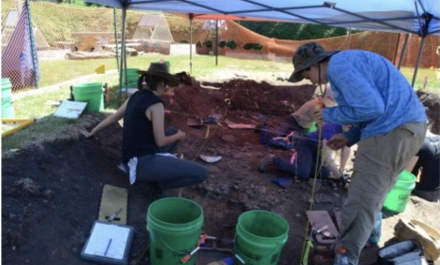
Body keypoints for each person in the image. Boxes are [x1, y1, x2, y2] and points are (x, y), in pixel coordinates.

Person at [288, 42, 427, 265]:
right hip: (407, 128)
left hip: (391, 132)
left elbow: (374, 108)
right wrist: (350, 137)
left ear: (313, 66)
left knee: (362, 198)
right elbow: (372, 109)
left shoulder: (338, 67)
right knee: (377, 190)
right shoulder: (349, 63)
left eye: (307, 75)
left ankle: (345, 256)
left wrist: (330, 114)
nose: (311, 82)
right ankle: (370, 237)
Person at [81, 63, 208, 196]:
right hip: (142, 163)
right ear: (161, 83)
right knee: (201, 173)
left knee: (172, 131)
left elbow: (113, 118)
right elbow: (160, 142)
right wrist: (179, 137)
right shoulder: (156, 104)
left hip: (129, 159)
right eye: (167, 83)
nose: (168, 87)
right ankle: (155, 186)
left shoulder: (135, 95)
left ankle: (155, 174)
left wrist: (91, 132)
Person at [258, 122, 350, 183]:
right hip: (307, 144)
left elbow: (346, 148)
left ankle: (301, 164)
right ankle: (273, 159)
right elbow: (327, 157)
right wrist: (341, 179)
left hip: (318, 151)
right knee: (303, 173)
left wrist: (341, 171)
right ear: (347, 124)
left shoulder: (350, 131)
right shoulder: (331, 126)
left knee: (325, 173)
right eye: (350, 128)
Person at [409, 132, 439, 202]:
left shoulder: (420, 144)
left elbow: (405, 173)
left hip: (422, 192)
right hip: (436, 190)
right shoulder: (437, 139)